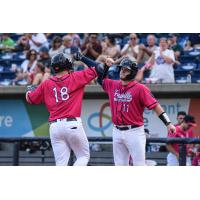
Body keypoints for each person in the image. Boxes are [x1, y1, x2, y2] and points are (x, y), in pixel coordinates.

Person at [75, 53, 176, 166]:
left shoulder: (140, 88)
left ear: (132, 72)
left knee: (139, 165)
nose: (122, 71)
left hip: (134, 131)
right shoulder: (114, 84)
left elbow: (156, 106)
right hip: (117, 131)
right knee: (120, 165)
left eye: (126, 69)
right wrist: (106, 66)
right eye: (121, 68)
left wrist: (168, 123)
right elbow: (100, 77)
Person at [25, 52, 100, 166]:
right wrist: (82, 58)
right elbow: (98, 68)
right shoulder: (75, 77)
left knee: (61, 163)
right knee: (83, 156)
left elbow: (31, 99)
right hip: (72, 124)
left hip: (54, 127)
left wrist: (29, 90)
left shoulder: (46, 83)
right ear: (67, 65)